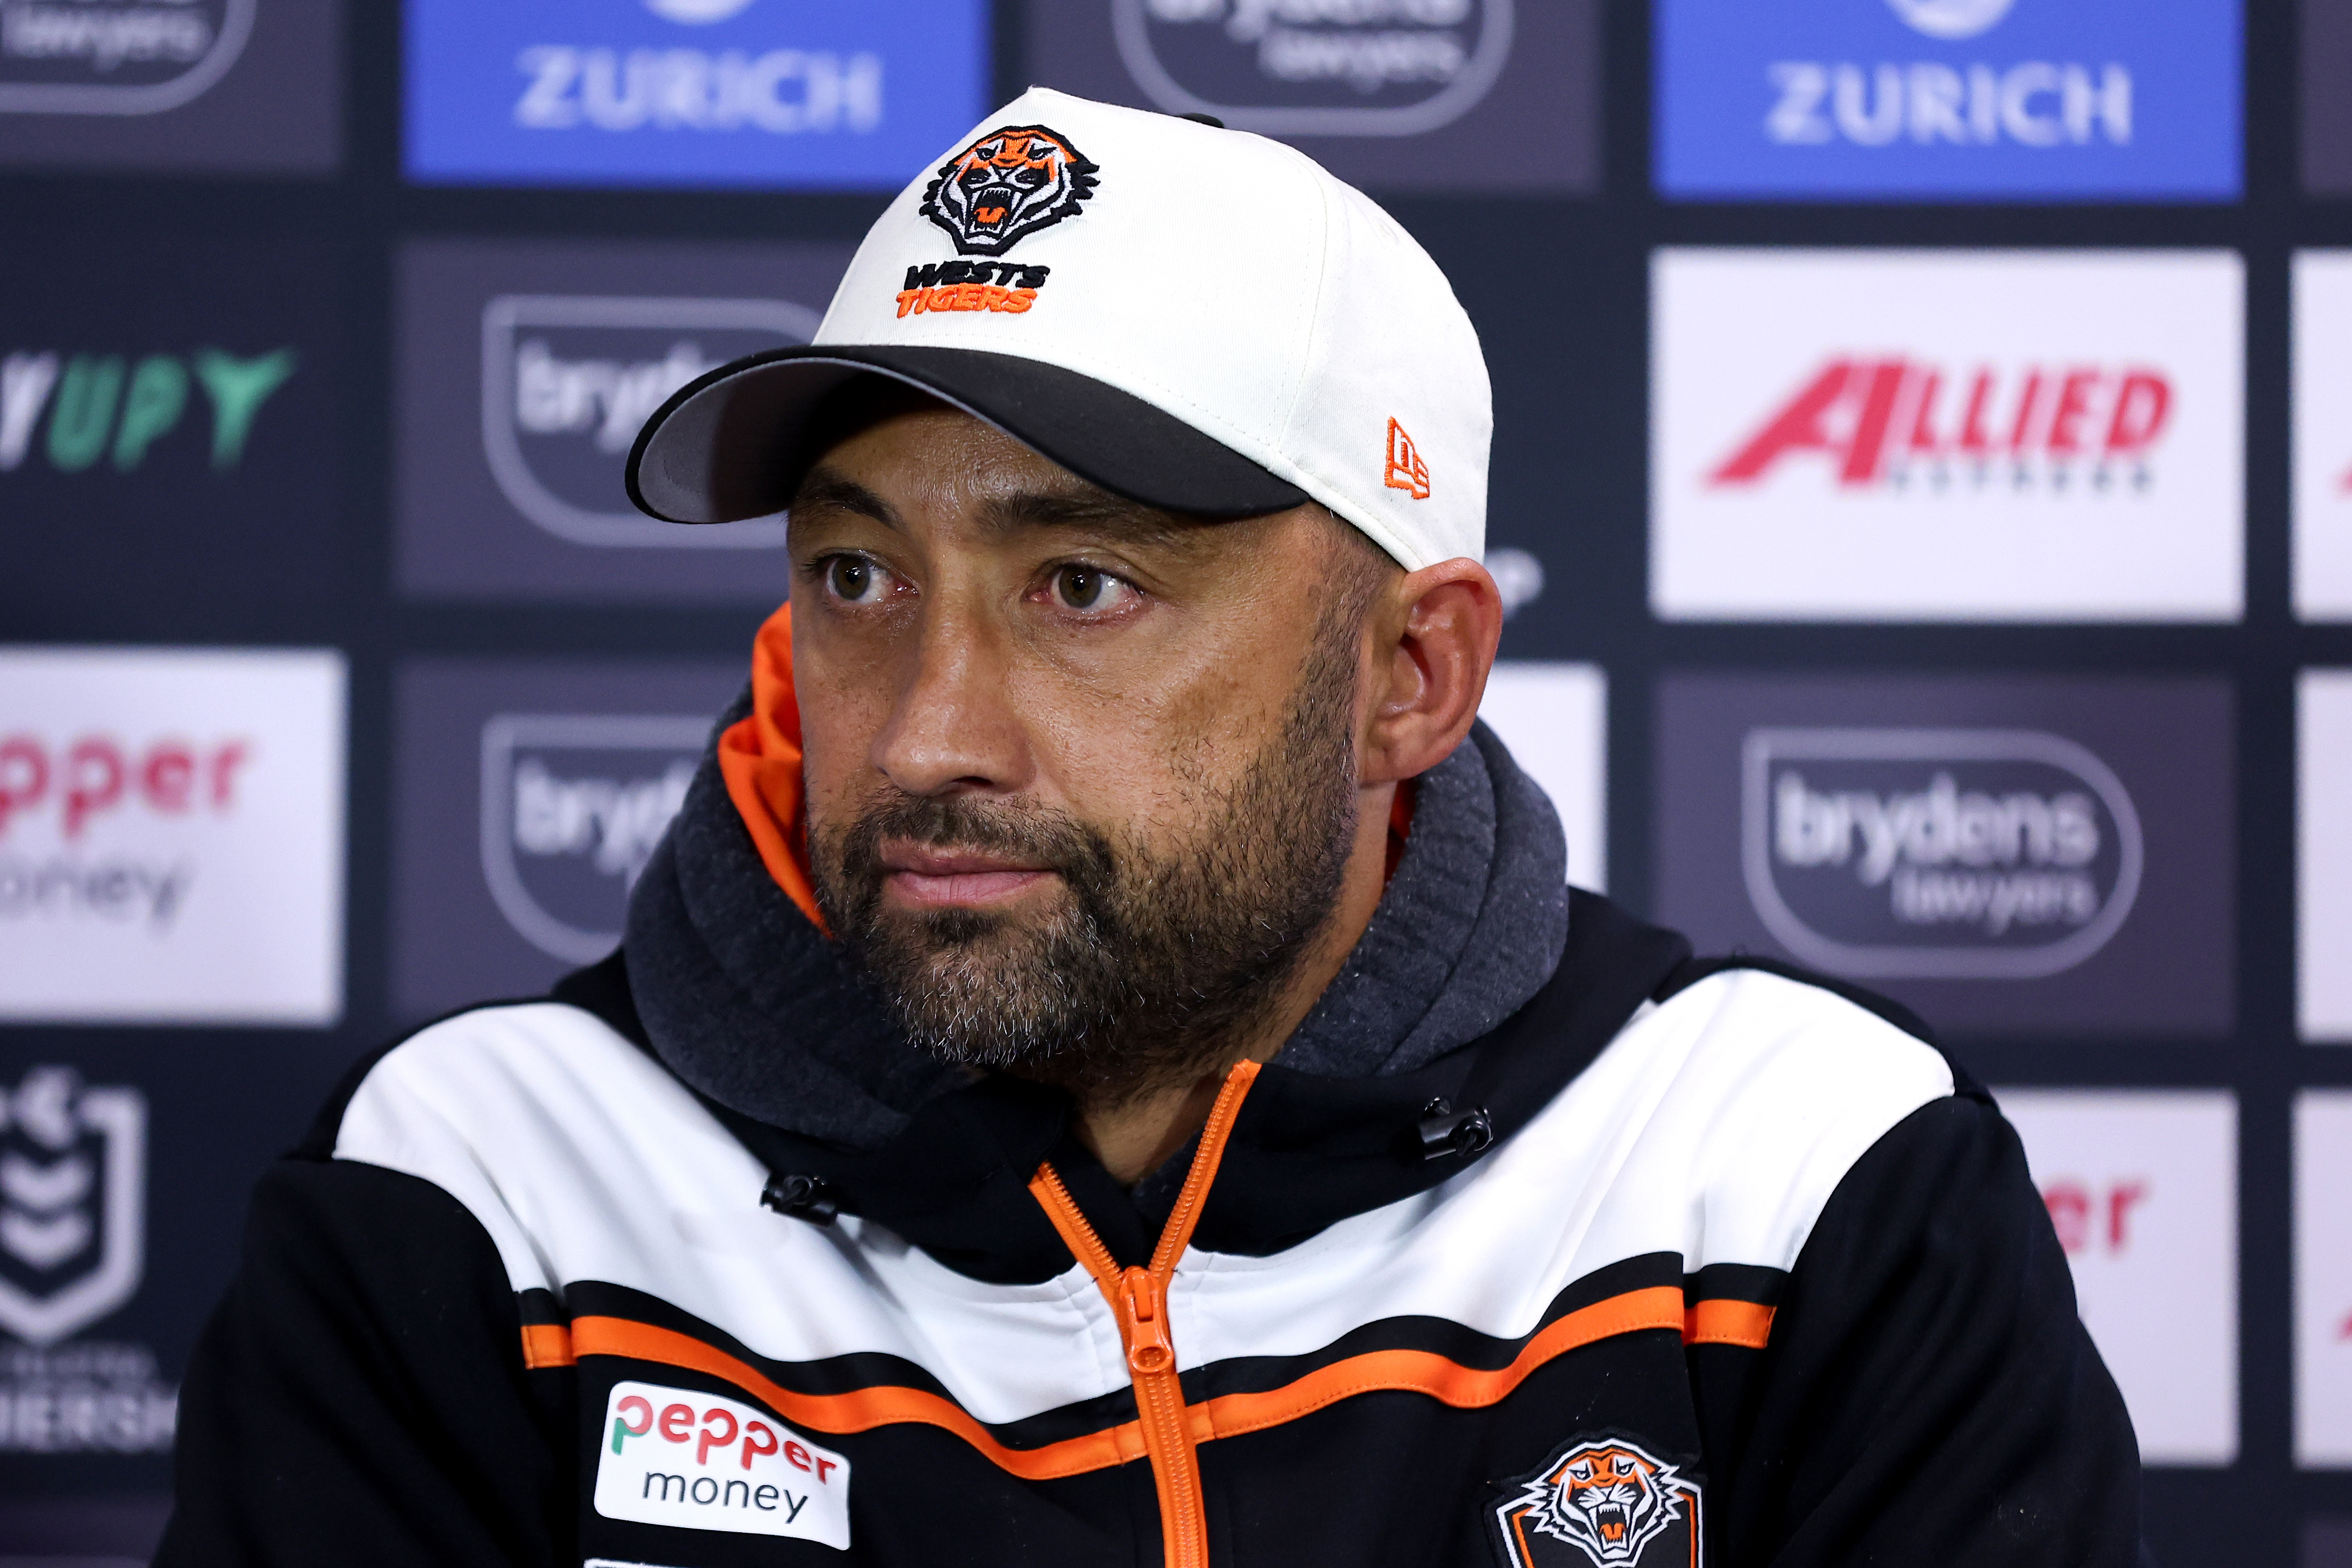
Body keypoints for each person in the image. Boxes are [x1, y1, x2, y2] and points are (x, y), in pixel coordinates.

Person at [158, 90, 2144, 1568]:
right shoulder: (480, 1190)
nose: (929, 731)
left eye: (1081, 586)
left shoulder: (1789, 1174)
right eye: (856, 578)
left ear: (1413, 674)